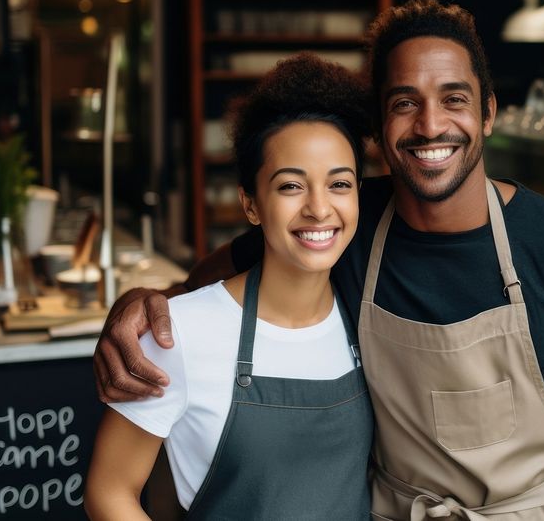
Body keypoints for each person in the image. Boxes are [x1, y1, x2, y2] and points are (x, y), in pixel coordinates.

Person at [95, 0, 544, 519]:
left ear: (487, 113)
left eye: (454, 99)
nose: (431, 125)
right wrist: (139, 307)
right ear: (380, 128)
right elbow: (205, 288)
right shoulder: (345, 223)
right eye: (404, 103)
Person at [84, 54, 374, 519]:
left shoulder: (365, 316)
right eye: (290, 187)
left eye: (339, 184)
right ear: (251, 204)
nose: (320, 209)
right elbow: (109, 491)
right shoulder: (177, 334)